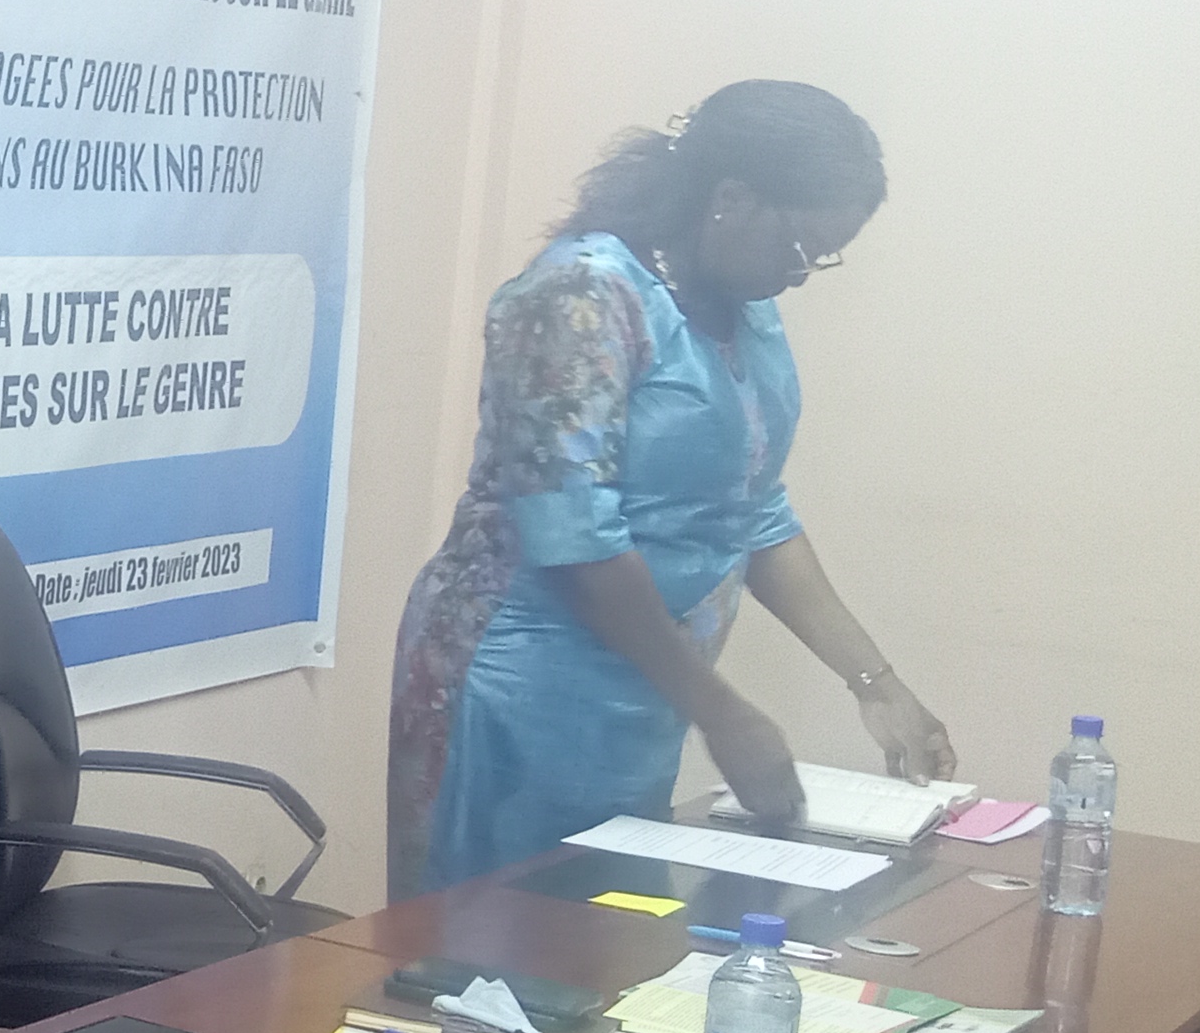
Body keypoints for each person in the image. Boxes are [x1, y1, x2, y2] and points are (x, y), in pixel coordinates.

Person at [388, 80, 955, 896]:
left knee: (611, 930)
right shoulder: (582, 295)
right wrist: (721, 712)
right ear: (732, 198)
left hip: (646, 683)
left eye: (822, 257)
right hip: (521, 683)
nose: (801, 276)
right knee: (493, 940)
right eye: (800, 247)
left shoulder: (743, 307)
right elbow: (574, 538)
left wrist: (877, 683)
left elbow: (754, 511)